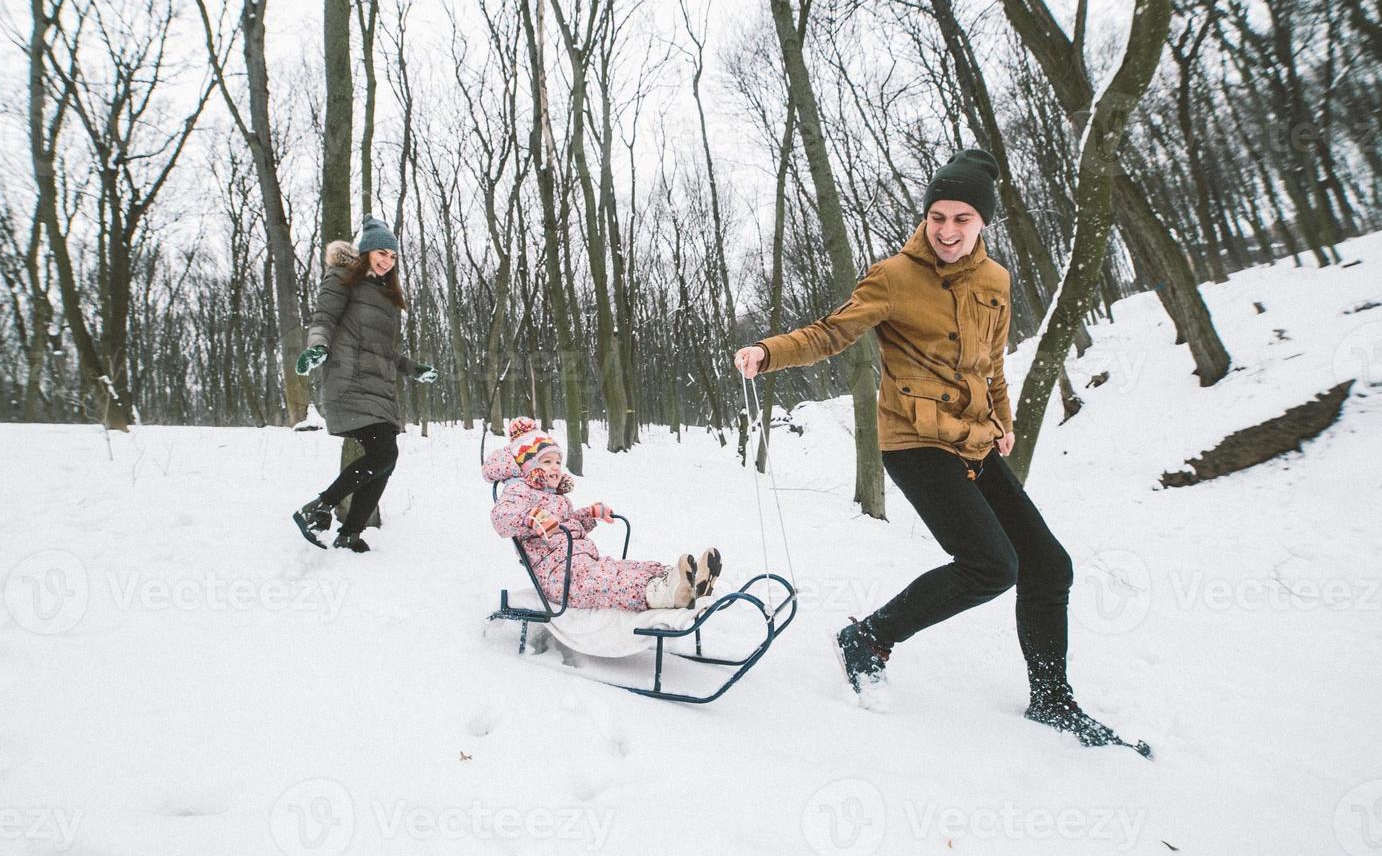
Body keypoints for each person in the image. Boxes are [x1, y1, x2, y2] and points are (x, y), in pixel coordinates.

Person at [734, 149, 1145, 753]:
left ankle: (1053, 700)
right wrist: (768, 352)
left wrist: (1002, 421)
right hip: (913, 442)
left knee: (1048, 565)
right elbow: (831, 331)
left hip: (973, 442)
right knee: (991, 565)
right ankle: (869, 637)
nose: (947, 231)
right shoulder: (894, 276)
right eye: (937, 217)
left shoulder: (996, 281)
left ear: (982, 224)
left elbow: (993, 365)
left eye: (962, 219)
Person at [292, 216, 437, 552]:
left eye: (393, 256)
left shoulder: (386, 297)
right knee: (383, 453)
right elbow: (323, 319)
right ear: (367, 251)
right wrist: (317, 348)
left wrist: (415, 369)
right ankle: (319, 507)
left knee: (386, 457)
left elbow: (386, 352)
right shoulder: (342, 278)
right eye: (381, 253)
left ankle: (350, 532)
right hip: (349, 381)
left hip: (380, 388)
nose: (387, 261)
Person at [485, 418, 721, 611]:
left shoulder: (557, 497)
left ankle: (687, 580)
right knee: (611, 583)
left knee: (625, 567)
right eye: (546, 462)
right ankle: (661, 593)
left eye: (558, 461)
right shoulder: (519, 490)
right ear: (529, 467)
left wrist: (590, 513)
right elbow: (502, 518)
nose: (556, 466)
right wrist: (531, 518)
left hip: (584, 561)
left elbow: (568, 525)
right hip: (559, 575)